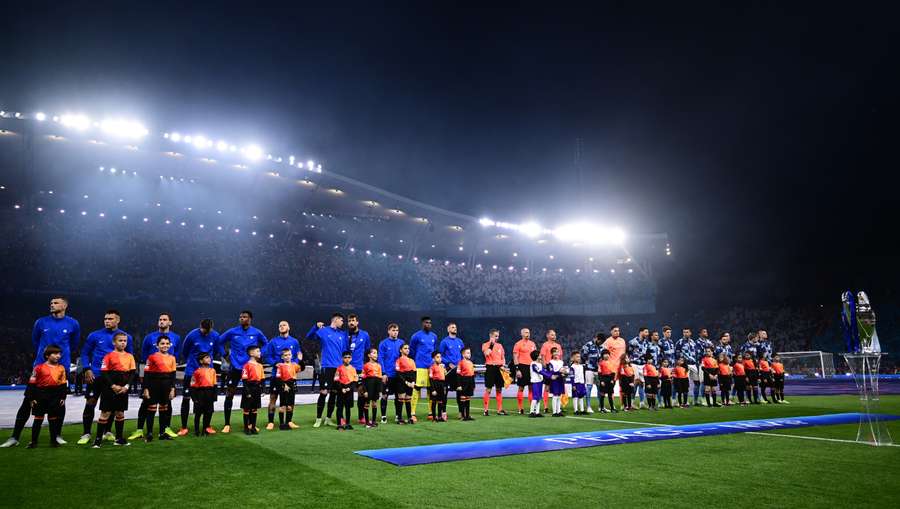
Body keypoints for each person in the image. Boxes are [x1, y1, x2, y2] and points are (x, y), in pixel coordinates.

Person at [3, 296, 80, 448]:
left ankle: (57, 435)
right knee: (27, 402)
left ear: (65, 305)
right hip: (40, 366)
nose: (52, 305)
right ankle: (14, 437)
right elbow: (35, 341)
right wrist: (44, 358)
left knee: (60, 403)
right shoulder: (41, 322)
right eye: (51, 303)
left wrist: (60, 358)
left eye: (56, 303)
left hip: (62, 368)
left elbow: (74, 343)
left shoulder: (73, 323)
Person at [78, 310, 133, 445]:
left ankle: (107, 431)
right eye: (105, 319)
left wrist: (125, 380)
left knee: (112, 406)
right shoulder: (94, 335)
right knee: (91, 402)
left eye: (110, 319)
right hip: (96, 375)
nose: (107, 321)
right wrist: (87, 368)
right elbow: (85, 353)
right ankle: (86, 433)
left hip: (115, 378)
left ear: (118, 320)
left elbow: (128, 356)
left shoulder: (126, 337)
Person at [133, 312, 181, 441]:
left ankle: (165, 429)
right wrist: (144, 383)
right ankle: (141, 430)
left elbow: (175, 361)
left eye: (165, 319)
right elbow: (143, 359)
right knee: (147, 404)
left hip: (166, 380)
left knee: (166, 405)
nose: (162, 321)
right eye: (160, 319)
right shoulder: (149, 338)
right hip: (151, 379)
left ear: (170, 322)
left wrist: (172, 386)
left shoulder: (176, 338)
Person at [219, 311, 267, 433]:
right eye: (240, 317)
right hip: (235, 367)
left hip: (250, 368)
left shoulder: (256, 332)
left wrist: (260, 356)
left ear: (250, 319)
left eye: (244, 317)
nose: (241, 318)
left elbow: (266, 344)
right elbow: (219, 342)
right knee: (229, 394)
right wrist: (225, 355)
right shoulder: (232, 331)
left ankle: (251, 424)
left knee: (250, 396)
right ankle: (227, 424)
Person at [176, 319, 222, 436]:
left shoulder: (215, 335)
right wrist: (195, 364)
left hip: (208, 373)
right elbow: (185, 352)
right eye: (204, 330)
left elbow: (216, 351)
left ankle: (207, 426)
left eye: (208, 331)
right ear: (200, 326)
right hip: (192, 371)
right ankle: (184, 427)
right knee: (186, 399)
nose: (206, 333)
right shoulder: (192, 335)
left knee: (208, 400)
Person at [92, 332, 136, 448]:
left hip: (123, 388)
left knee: (120, 413)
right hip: (109, 388)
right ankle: (97, 440)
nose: (123, 343)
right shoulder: (108, 356)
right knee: (105, 413)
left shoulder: (130, 356)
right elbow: (104, 372)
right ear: (114, 342)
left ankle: (119, 439)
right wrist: (113, 386)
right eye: (120, 340)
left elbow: (132, 373)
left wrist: (126, 386)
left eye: (124, 341)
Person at [307, 313, 349, 428]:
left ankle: (328, 418)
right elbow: (309, 337)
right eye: (341, 320)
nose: (342, 322)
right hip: (327, 367)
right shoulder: (324, 331)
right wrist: (315, 326)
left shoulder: (342, 334)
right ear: (335, 320)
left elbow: (345, 352)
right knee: (324, 392)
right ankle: (318, 418)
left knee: (334, 394)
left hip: (339, 368)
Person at [24, 345, 68, 448]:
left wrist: (63, 397)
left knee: (53, 419)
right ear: (47, 355)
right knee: (38, 419)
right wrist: (31, 398)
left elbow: (63, 384)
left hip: (55, 396)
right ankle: (33, 442)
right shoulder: (38, 368)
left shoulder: (61, 368)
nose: (58, 356)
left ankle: (53, 441)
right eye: (55, 353)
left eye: (59, 354)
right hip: (40, 395)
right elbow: (31, 383)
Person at [263, 321, 302, 430]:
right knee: (273, 398)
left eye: (284, 325)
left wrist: (294, 363)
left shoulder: (294, 341)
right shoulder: (273, 341)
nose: (281, 327)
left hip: (290, 376)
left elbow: (298, 355)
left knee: (290, 400)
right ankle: (270, 422)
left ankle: (289, 421)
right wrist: (275, 363)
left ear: (289, 327)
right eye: (279, 325)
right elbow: (267, 356)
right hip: (277, 376)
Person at [139, 335, 177, 442]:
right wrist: (145, 388)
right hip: (153, 385)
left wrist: (172, 388)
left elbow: (173, 375)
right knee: (151, 409)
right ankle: (149, 433)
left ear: (170, 345)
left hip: (166, 386)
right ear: (157, 345)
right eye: (162, 343)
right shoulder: (151, 357)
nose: (165, 345)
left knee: (164, 409)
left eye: (167, 343)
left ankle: (162, 433)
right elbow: (146, 374)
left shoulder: (172, 358)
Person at [408, 316, 437, 422]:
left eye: (429, 323)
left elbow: (434, 351)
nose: (428, 324)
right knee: (417, 389)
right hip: (420, 366)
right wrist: (415, 362)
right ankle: (412, 413)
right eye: (426, 323)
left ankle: (430, 412)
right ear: (422, 324)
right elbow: (411, 350)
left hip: (431, 366)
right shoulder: (416, 336)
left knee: (431, 389)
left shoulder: (434, 336)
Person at [346, 314, 371, 424]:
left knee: (361, 392)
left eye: (353, 320)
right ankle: (345, 418)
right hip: (346, 369)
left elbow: (367, 350)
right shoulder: (344, 334)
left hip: (359, 368)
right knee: (345, 393)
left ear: (357, 322)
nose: (351, 322)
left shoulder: (365, 335)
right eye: (349, 321)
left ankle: (361, 417)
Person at [377, 323, 404, 424]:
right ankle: (383, 416)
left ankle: (398, 416)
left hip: (399, 375)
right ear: (388, 331)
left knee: (399, 396)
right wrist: (383, 373)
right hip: (388, 374)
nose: (395, 332)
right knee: (384, 396)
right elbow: (381, 359)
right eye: (393, 330)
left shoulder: (401, 342)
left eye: (396, 330)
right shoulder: (383, 343)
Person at [439, 322, 465, 420]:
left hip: (458, 371)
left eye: (455, 327)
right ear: (448, 329)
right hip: (448, 371)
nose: (454, 328)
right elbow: (440, 356)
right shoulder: (444, 342)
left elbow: (463, 355)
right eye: (452, 327)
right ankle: (444, 412)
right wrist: (448, 363)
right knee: (445, 392)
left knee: (459, 391)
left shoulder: (460, 341)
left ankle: (460, 412)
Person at [190, 352, 218, 436]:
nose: (209, 359)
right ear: (201, 361)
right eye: (207, 357)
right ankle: (197, 430)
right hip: (200, 393)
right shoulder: (196, 372)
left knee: (208, 413)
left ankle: (205, 429)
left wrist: (214, 396)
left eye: (209, 357)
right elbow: (192, 386)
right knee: (198, 414)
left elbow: (215, 384)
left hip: (209, 393)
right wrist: (194, 398)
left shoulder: (213, 371)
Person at [481, 328, 507, 416]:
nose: (497, 338)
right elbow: (487, 353)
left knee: (499, 389)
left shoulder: (500, 346)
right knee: (488, 389)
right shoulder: (485, 345)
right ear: (491, 336)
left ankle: (499, 410)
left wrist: (503, 365)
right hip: (490, 367)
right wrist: (491, 345)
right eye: (495, 336)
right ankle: (485, 410)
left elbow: (503, 357)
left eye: (498, 336)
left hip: (499, 368)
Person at [274, 348, 302, 429]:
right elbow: (278, 378)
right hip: (284, 386)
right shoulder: (280, 366)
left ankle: (288, 422)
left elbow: (301, 368)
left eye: (289, 355)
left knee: (290, 406)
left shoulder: (294, 365)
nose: (287, 356)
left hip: (292, 385)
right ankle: (282, 424)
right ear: (282, 357)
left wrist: (300, 360)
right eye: (285, 355)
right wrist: (284, 385)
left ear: (292, 355)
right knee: (283, 406)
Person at [240, 345, 265, 435]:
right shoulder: (246, 366)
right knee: (247, 409)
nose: (260, 353)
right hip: (249, 388)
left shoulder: (260, 366)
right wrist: (247, 392)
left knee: (254, 408)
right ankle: (246, 428)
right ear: (251, 353)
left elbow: (262, 379)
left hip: (257, 389)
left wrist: (263, 390)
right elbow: (244, 380)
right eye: (258, 351)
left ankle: (253, 427)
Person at [675, 327, 702, 406]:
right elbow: (677, 354)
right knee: (682, 383)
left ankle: (695, 400)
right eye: (684, 332)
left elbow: (696, 354)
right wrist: (679, 364)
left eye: (687, 332)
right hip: (684, 365)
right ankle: (677, 401)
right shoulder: (679, 342)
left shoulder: (693, 342)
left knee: (697, 382)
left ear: (690, 333)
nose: (685, 333)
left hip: (693, 364)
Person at [512, 328, 537, 415]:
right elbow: (515, 357)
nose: (528, 334)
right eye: (526, 332)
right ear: (522, 334)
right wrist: (517, 369)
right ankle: (520, 408)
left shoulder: (532, 344)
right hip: (522, 367)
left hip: (531, 367)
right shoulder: (518, 344)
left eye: (529, 332)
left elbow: (535, 356)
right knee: (521, 388)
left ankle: (532, 408)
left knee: (531, 388)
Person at [539, 330, 563, 412]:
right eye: (552, 335)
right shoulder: (545, 345)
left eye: (555, 335)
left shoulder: (558, 345)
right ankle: (546, 407)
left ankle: (558, 407)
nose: (554, 336)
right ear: (548, 336)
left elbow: (560, 357)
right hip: (549, 369)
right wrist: (545, 367)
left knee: (558, 387)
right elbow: (542, 357)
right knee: (547, 387)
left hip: (557, 370)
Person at [580, 333, 604, 414]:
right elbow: (582, 355)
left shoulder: (602, 347)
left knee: (600, 388)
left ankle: (601, 406)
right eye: (600, 341)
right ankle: (588, 407)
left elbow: (602, 358)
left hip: (598, 370)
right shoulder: (588, 345)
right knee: (589, 388)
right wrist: (589, 362)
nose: (600, 343)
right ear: (596, 338)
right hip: (589, 369)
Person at [334, 351, 359, 430]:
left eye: (349, 357)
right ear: (342, 358)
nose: (347, 359)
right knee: (340, 408)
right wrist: (341, 388)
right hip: (341, 389)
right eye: (345, 357)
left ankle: (348, 424)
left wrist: (350, 388)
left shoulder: (353, 369)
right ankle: (339, 425)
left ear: (351, 358)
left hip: (349, 390)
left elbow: (355, 381)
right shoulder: (339, 368)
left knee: (348, 408)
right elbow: (336, 380)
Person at [627, 327, 650, 409]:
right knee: (635, 383)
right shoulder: (633, 342)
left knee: (642, 384)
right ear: (641, 332)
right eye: (646, 332)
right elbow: (629, 353)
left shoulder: (647, 343)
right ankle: (632, 402)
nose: (647, 333)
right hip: (635, 364)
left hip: (643, 365)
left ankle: (641, 402)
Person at [395, 343, 417, 424]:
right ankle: (399, 418)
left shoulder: (412, 360)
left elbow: (414, 372)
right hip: (401, 381)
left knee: (408, 400)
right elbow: (398, 373)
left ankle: (409, 417)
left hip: (410, 381)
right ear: (401, 350)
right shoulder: (398, 360)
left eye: (408, 348)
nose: (407, 349)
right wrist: (406, 382)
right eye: (405, 348)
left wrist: (413, 382)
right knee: (401, 399)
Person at [361, 348, 383, 428]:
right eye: (374, 353)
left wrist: (380, 390)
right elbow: (363, 379)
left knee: (374, 403)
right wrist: (365, 390)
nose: (376, 355)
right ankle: (367, 422)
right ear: (369, 355)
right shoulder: (366, 365)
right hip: (369, 385)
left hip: (376, 386)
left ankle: (373, 421)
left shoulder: (379, 366)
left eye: (376, 353)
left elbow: (380, 379)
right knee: (367, 403)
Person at [456, 347, 476, 421]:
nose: (469, 354)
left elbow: (472, 374)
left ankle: (467, 415)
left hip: (470, 381)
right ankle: (463, 416)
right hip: (464, 381)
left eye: (470, 353)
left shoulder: (471, 363)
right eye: (467, 353)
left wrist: (473, 384)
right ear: (463, 354)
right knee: (463, 399)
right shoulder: (460, 363)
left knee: (468, 399)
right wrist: (459, 385)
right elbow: (458, 375)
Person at [528, 350, 549, 417]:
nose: (541, 356)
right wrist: (550, 376)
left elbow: (543, 371)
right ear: (537, 356)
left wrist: (549, 374)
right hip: (535, 382)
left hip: (540, 382)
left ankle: (537, 412)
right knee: (535, 397)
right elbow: (540, 371)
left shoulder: (539, 364)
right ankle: (531, 412)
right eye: (540, 355)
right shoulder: (533, 364)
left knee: (539, 397)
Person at [429, 352, 447, 422]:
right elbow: (430, 379)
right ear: (433, 358)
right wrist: (433, 389)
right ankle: (434, 417)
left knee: (440, 401)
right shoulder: (432, 367)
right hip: (435, 384)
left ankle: (439, 416)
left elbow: (444, 376)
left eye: (440, 357)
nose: (439, 359)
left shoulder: (442, 366)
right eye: (437, 357)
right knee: (434, 401)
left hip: (441, 384)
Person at [548, 347, 566, 416]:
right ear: (552, 354)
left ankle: (558, 411)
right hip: (554, 380)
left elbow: (563, 371)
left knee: (559, 395)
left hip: (560, 379)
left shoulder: (561, 362)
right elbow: (551, 372)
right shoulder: (551, 362)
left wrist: (564, 372)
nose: (556, 353)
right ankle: (554, 412)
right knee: (555, 395)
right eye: (554, 352)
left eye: (557, 352)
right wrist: (559, 372)